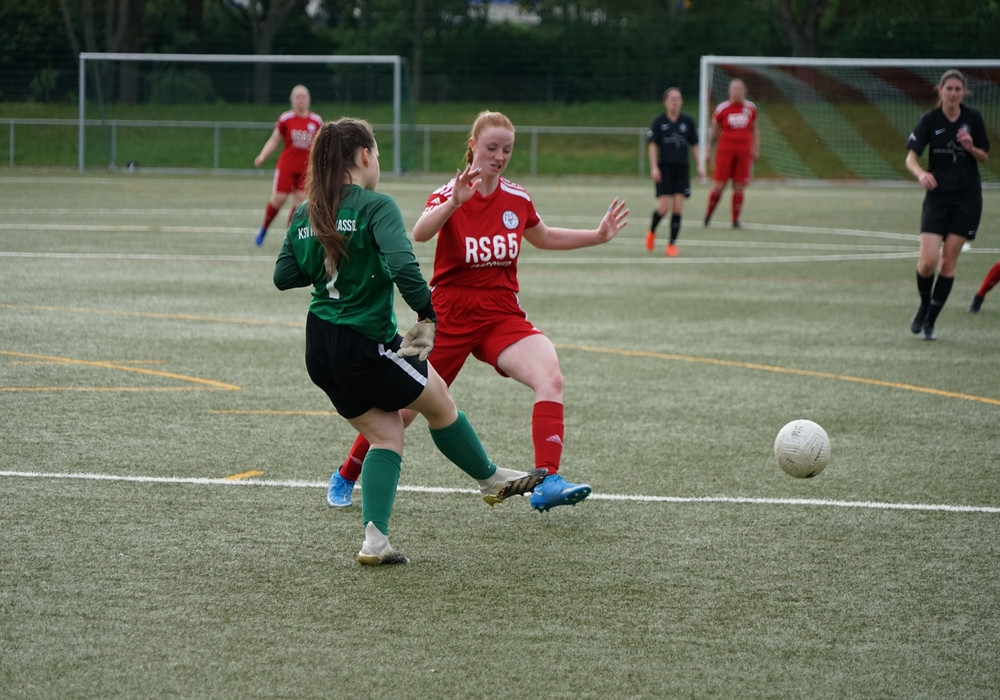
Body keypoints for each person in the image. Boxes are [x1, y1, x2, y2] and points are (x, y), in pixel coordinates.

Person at [327, 110, 629, 513]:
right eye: (492, 148)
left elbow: (543, 236)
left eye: (507, 149)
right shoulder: (451, 192)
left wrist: (598, 235)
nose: (500, 156)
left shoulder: (517, 197)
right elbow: (420, 232)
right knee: (402, 411)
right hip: (446, 316)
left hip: (501, 315)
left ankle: (547, 480)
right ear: (473, 146)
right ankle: (346, 473)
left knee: (550, 376)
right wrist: (454, 202)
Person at [273, 117, 544, 565]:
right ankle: (489, 479)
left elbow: (284, 276)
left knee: (386, 434)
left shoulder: (307, 212)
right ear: (365, 157)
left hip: (319, 347)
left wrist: (334, 256)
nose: (377, 162)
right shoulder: (376, 206)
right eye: (377, 154)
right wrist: (428, 314)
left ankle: (375, 542)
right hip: (365, 342)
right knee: (440, 404)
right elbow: (403, 265)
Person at [905, 69, 990, 340]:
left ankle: (930, 321)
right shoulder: (929, 119)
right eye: (949, 88)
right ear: (940, 91)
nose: (953, 93)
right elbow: (910, 158)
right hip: (938, 199)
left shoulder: (973, 118)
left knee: (948, 264)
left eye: (957, 89)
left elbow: (984, 156)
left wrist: (971, 147)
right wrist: (922, 174)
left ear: (964, 93)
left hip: (967, 200)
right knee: (927, 262)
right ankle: (924, 304)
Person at [254, 85, 323, 246]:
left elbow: (321, 145)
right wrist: (263, 155)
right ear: (292, 100)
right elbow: (274, 140)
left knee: (300, 204)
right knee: (279, 199)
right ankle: (264, 228)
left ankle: (290, 237)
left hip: (306, 170)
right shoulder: (286, 119)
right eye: (297, 97)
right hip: (287, 167)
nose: (301, 100)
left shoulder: (316, 121)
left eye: (303, 97)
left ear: (309, 100)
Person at [645, 87, 704, 257]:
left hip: (682, 169)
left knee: (677, 208)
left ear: (681, 101)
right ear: (665, 101)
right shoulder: (658, 121)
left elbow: (694, 145)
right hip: (664, 169)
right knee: (663, 208)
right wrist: (654, 167)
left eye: (678, 98)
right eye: (672, 98)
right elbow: (652, 145)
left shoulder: (687, 121)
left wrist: (699, 166)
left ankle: (671, 245)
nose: (675, 102)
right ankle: (652, 231)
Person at [703, 78, 759, 229]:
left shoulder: (750, 108)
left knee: (739, 185)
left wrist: (755, 148)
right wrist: (708, 149)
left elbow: (754, 129)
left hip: (743, 152)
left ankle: (735, 220)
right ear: (729, 92)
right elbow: (715, 131)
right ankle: (707, 217)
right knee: (719, 185)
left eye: (740, 89)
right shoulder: (722, 109)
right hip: (725, 151)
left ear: (745, 91)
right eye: (734, 89)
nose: (737, 92)